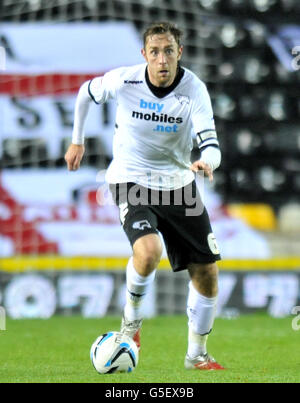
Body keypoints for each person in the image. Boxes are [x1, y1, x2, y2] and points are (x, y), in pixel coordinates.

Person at [65, 21, 224, 370]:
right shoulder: (126, 80)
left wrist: (206, 162)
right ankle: (131, 326)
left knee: (207, 272)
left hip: (179, 184)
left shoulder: (194, 90)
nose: (162, 59)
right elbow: (84, 93)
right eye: (155, 51)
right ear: (144, 54)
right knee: (148, 251)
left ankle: (196, 354)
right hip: (131, 180)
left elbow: (211, 144)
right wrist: (77, 139)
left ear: (179, 53)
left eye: (169, 51)